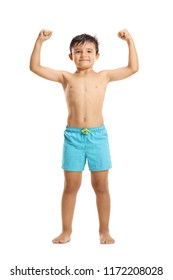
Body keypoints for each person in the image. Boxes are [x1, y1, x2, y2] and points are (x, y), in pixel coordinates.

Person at [30, 29, 138, 244]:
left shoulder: (104, 76)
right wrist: (40, 41)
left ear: (97, 55)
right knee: (71, 186)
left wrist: (129, 41)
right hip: (73, 137)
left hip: (98, 137)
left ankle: (104, 231)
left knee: (101, 186)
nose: (84, 55)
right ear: (71, 56)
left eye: (89, 51)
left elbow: (132, 68)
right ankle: (66, 231)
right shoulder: (65, 77)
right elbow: (35, 67)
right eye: (78, 51)